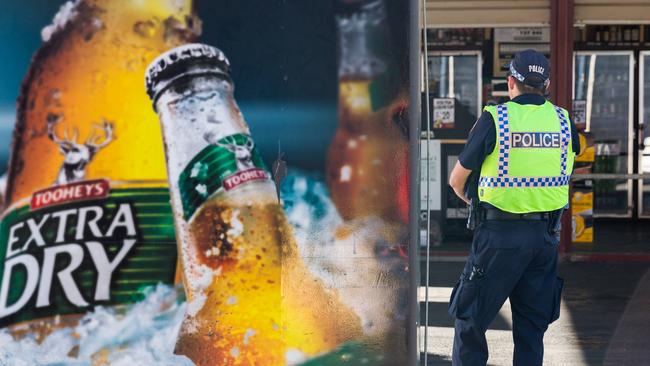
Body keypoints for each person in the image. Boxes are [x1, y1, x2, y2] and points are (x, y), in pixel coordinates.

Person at [447, 49, 580, 366]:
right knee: (531, 329)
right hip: (545, 240)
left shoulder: (496, 118)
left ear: (511, 82)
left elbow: (457, 180)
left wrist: (474, 202)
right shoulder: (564, 122)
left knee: (471, 321)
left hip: (498, 238)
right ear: (545, 85)